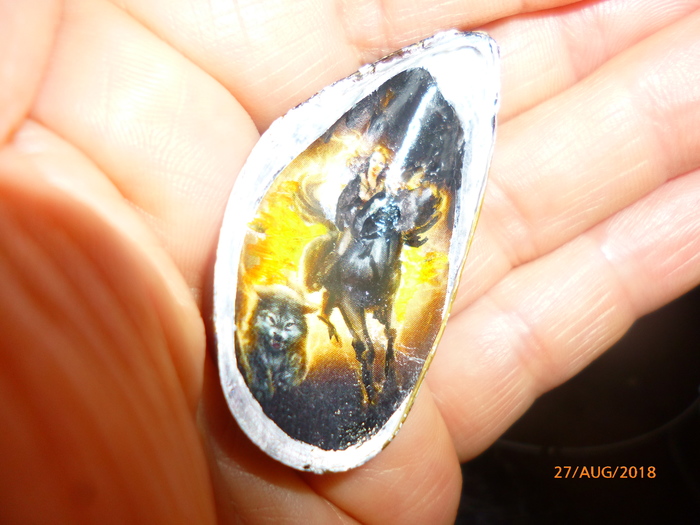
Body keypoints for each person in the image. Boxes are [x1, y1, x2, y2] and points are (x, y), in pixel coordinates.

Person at [1, 0, 699, 523]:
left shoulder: (406, 193)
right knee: (332, 267)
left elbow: (414, 224)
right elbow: (345, 209)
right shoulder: (354, 196)